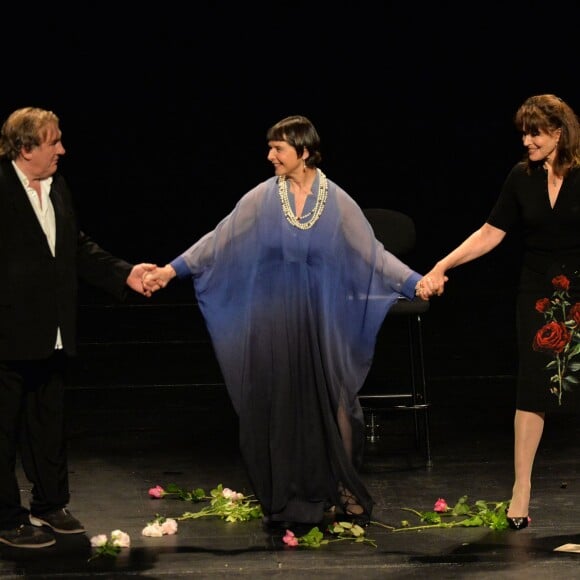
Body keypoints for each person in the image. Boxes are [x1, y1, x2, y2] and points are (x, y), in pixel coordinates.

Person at [143, 115, 437, 529]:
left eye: (278, 149)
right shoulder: (263, 197)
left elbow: (373, 253)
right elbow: (218, 239)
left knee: (338, 403)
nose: (270, 156)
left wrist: (413, 282)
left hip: (320, 315)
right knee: (280, 401)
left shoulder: (336, 200)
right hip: (274, 315)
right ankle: (290, 497)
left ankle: (345, 490)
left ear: (303, 151)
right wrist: (170, 271)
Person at [0, 107, 156, 549]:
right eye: (54, 142)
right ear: (27, 147)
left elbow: (77, 248)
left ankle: (50, 504)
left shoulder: (57, 187)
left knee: (48, 424)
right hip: (7, 336)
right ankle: (6, 517)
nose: (62, 150)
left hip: (51, 333)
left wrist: (124, 273)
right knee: (2, 432)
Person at [423, 94, 580, 530]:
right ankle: (521, 489)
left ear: (559, 133)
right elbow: (491, 232)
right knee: (532, 390)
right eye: (524, 133)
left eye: (535, 133)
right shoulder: (521, 176)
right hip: (538, 294)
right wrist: (442, 264)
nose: (526, 141)